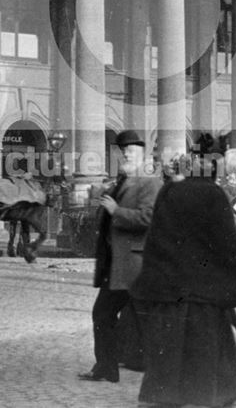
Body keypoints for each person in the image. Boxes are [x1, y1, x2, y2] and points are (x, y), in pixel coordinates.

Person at [130, 134, 236, 407]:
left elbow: (155, 238)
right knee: (207, 351)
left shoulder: (169, 191)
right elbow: (228, 244)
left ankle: (163, 397)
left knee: (169, 352)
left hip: (170, 289)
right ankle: (211, 395)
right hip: (203, 293)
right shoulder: (213, 194)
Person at [77, 130, 161, 384]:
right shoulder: (124, 179)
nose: (125, 154)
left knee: (113, 315)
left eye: (131, 150)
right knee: (107, 314)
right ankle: (107, 368)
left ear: (142, 153)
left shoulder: (149, 181)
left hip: (134, 263)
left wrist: (116, 211)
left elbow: (149, 218)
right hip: (117, 263)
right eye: (123, 151)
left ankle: (113, 367)